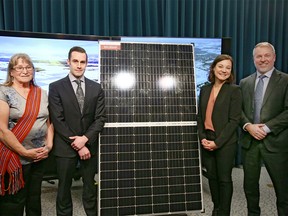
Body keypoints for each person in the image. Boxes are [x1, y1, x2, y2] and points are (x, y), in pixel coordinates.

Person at [48, 46, 106, 216]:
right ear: (68, 62)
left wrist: (86, 139)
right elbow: (58, 120)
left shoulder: (96, 88)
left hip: (90, 148)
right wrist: (79, 144)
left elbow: (100, 118)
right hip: (65, 149)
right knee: (64, 190)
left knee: (90, 189)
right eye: (75, 61)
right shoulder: (56, 87)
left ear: (86, 63)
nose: (79, 65)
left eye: (83, 62)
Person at [0, 53, 54, 216]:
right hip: (14, 156)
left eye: (28, 67)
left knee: (34, 199)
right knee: (14, 201)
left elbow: (48, 123)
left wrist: (49, 145)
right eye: (20, 67)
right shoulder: (4, 92)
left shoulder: (41, 93)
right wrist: (24, 152)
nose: (25, 71)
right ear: (11, 72)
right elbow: (2, 130)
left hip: (38, 156)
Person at [239, 42, 288, 216]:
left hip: (276, 144)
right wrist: (248, 126)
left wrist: (266, 128)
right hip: (250, 144)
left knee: (283, 190)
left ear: (274, 57)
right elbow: (239, 111)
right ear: (253, 59)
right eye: (259, 56)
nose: (263, 59)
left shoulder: (286, 80)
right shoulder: (244, 82)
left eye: (267, 55)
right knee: (250, 188)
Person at [197, 54, 242, 216]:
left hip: (225, 142)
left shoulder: (234, 90)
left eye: (228, 68)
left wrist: (218, 143)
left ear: (231, 72)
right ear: (213, 68)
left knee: (224, 179)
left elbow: (234, 121)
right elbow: (200, 117)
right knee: (212, 177)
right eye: (221, 66)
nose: (224, 70)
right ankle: (216, 209)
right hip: (206, 139)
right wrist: (202, 138)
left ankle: (224, 212)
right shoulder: (204, 89)